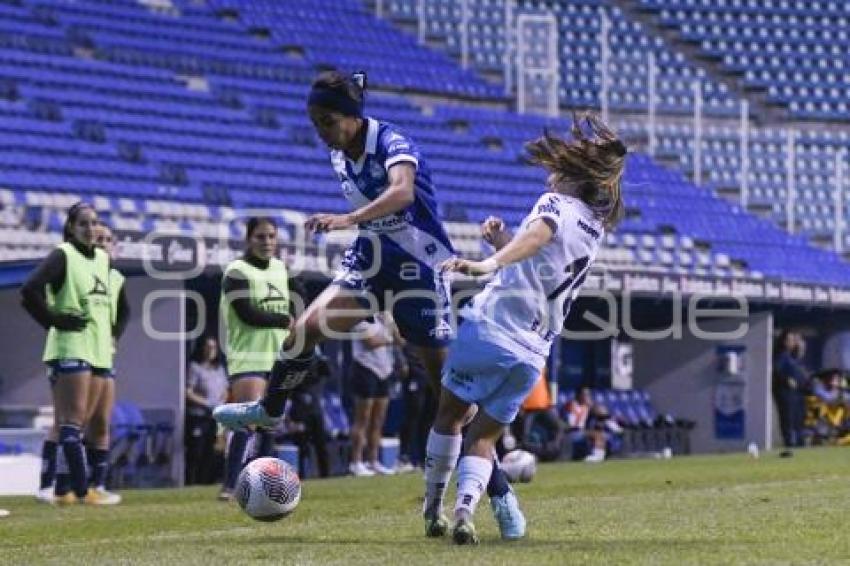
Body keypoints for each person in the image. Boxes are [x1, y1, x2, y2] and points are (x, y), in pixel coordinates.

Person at [213, 70, 521, 536]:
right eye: (315, 122)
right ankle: (270, 409)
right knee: (303, 330)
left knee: (451, 400)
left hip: (419, 270)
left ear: (354, 117)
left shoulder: (394, 142)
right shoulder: (340, 152)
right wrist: (357, 228)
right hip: (371, 263)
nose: (321, 132)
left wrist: (348, 218)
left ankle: (498, 494)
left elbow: (401, 192)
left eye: (328, 121)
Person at [422, 113, 625, 544]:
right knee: (484, 437)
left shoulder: (553, 205)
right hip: (532, 353)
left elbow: (537, 238)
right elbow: (541, 259)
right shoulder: (593, 228)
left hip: (492, 327)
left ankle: (433, 509)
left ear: (569, 172)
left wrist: (487, 262)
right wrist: (501, 242)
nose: (550, 173)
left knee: (450, 417)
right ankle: (465, 510)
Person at [21, 202, 115, 505]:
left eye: (94, 223)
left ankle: (61, 490)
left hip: (98, 350)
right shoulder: (63, 255)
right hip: (70, 346)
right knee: (70, 423)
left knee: (78, 425)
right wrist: (55, 320)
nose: (91, 229)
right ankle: (80, 489)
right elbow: (30, 290)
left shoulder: (102, 259)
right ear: (71, 228)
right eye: (83, 224)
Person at [218, 217, 292, 499]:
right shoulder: (236, 271)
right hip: (248, 356)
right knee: (246, 422)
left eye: (272, 236)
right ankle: (230, 484)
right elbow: (246, 313)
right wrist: (284, 318)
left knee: (270, 423)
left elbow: (297, 297)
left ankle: (262, 485)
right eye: (261, 237)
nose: (267, 242)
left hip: (276, 356)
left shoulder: (280, 269)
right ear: (249, 239)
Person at [82, 224, 128, 503]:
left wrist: (113, 336)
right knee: (76, 421)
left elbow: (123, 313)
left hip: (104, 357)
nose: (103, 244)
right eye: (99, 239)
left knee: (101, 422)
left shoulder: (116, 278)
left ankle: (97, 485)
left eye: (108, 240)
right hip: (77, 355)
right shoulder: (78, 270)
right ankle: (59, 483)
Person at [348, 312, 398, 476]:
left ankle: (373, 461)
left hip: (384, 370)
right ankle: (356, 462)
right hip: (365, 368)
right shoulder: (360, 317)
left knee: (378, 420)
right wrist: (390, 337)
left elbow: (401, 339)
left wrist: (390, 322)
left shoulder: (385, 316)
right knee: (363, 418)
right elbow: (371, 342)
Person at [185, 335, 228, 486]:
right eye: (208, 347)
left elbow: (225, 389)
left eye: (214, 347)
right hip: (199, 415)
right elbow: (188, 392)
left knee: (213, 450)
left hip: (215, 417)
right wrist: (208, 403)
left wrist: (221, 402)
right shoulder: (195, 367)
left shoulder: (219, 369)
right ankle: (191, 482)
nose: (211, 350)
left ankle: (207, 482)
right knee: (197, 450)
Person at [773, 330, 808, 449]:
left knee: (798, 417)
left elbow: (800, 356)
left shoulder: (792, 357)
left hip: (797, 393)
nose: (793, 342)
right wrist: (786, 379)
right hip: (786, 392)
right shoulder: (781, 355)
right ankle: (789, 442)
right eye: (790, 340)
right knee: (788, 418)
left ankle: (799, 440)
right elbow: (777, 370)